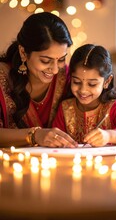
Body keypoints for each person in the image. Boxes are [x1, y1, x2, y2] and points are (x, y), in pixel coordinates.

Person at [0, 12, 78, 148]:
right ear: (24, 53)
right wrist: (35, 135)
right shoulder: (2, 77)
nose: (54, 70)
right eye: (45, 60)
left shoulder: (66, 77)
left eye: (61, 59)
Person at [52, 44, 116, 147]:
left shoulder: (114, 108)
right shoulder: (66, 108)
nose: (83, 90)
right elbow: (56, 138)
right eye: (76, 82)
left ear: (107, 81)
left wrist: (109, 136)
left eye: (92, 84)